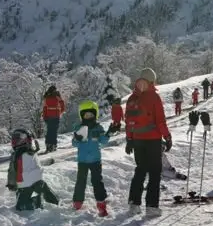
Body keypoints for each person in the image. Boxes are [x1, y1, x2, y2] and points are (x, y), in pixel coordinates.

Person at [125, 68, 172, 217]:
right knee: (154, 173)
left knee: (140, 170)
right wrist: (168, 137)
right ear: (152, 80)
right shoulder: (154, 97)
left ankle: (134, 204)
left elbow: (128, 122)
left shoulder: (133, 98)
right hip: (152, 140)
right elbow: (160, 121)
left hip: (137, 140)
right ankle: (152, 206)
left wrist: (129, 139)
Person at [72, 100, 114, 216]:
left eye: (90, 114)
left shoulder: (98, 127)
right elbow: (74, 144)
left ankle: (101, 204)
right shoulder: (78, 128)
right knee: (81, 182)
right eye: (86, 115)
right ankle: (77, 202)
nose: (88, 116)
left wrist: (109, 133)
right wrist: (77, 139)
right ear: (82, 116)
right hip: (82, 161)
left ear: (94, 115)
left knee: (97, 182)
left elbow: (103, 141)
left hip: (95, 160)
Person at [6, 129, 59, 211]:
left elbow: (12, 171)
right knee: (43, 188)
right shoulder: (32, 151)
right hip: (38, 180)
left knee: (22, 206)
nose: (15, 140)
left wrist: (11, 184)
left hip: (24, 185)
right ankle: (54, 201)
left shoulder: (16, 155)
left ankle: (32, 204)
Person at [41, 85, 65, 153]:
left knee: (49, 130)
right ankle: (53, 145)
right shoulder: (57, 96)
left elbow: (44, 108)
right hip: (56, 116)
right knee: (54, 131)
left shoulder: (46, 97)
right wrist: (60, 112)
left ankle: (48, 144)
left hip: (48, 116)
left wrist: (45, 116)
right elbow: (62, 105)